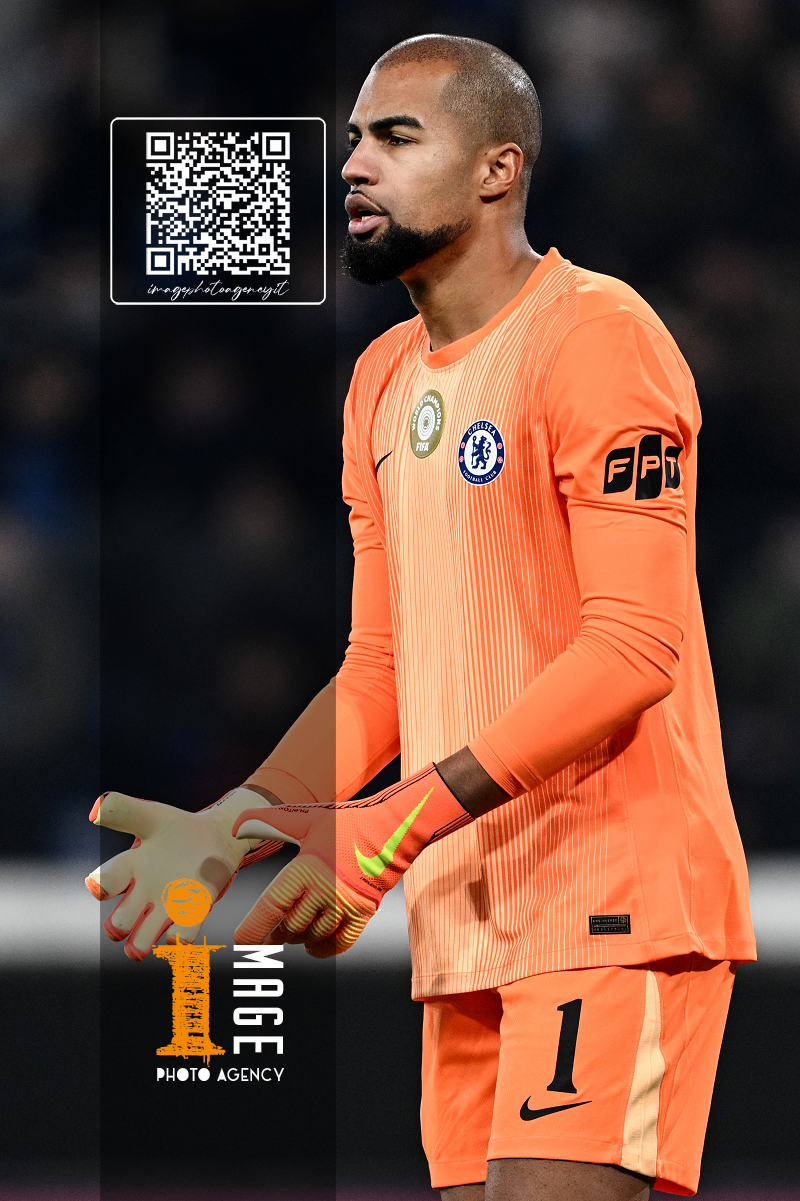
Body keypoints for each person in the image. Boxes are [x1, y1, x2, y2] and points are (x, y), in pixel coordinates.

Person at [87, 35, 755, 1201]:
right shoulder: (381, 381)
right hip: (461, 917)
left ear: (498, 169)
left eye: (396, 137)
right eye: (354, 140)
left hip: (611, 900)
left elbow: (632, 647)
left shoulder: (597, 336)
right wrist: (244, 819)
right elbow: (378, 668)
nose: (353, 164)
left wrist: (392, 823)